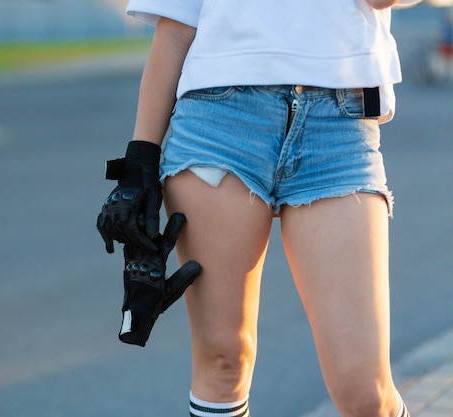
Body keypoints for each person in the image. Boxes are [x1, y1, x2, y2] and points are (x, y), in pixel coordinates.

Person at [97, 0, 423, 416]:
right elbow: (176, 26)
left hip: (338, 122)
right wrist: (139, 162)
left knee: (366, 395)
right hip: (217, 119)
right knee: (223, 360)